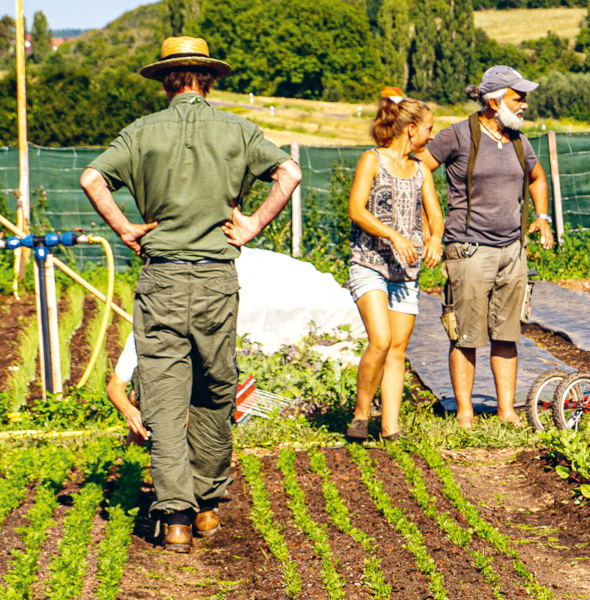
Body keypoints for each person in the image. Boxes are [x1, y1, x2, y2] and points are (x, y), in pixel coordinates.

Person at [80, 36, 302, 553]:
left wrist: (127, 231)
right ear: (209, 79)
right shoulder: (238, 130)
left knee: (161, 394)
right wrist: (251, 227)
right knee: (215, 387)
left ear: (165, 80)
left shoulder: (139, 133)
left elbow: (93, 178)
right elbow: (288, 172)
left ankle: (175, 516)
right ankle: (206, 506)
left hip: (161, 276)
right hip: (215, 278)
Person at [420, 66, 554, 428]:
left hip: (512, 251)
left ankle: (506, 410)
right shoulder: (459, 136)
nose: (524, 104)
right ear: (494, 102)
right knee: (465, 334)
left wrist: (542, 217)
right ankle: (464, 414)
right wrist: (433, 225)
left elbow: (537, 177)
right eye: (518, 97)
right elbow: (419, 170)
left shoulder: (517, 140)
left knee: (508, 333)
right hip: (469, 250)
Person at [344, 90, 444, 441]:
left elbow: (435, 214)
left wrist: (434, 239)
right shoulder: (372, 160)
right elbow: (357, 209)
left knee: (398, 349)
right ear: (411, 129)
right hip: (369, 263)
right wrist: (395, 236)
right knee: (381, 340)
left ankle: (391, 428)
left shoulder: (420, 171)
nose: (432, 136)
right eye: (429, 129)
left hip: (405, 272)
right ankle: (360, 415)